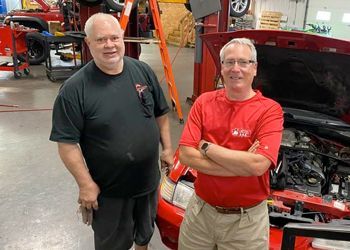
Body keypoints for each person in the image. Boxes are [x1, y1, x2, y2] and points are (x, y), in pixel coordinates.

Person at [49, 13, 173, 250]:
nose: (109, 45)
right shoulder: (75, 89)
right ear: (88, 43)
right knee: (112, 245)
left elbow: (160, 114)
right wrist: (86, 185)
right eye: (101, 39)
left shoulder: (142, 71)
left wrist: (167, 149)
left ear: (122, 38)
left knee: (143, 235)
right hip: (110, 192)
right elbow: (66, 143)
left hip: (147, 183)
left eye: (114, 38)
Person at [178, 38, 284, 250]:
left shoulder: (270, 110)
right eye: (229, 62)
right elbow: (185, 155)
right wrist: (241, 164)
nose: (236, 68)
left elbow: (257, 166)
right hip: (200, 213)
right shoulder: (203, 102)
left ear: (254, 68)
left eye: (243, 62)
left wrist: (207, 147)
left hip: (246, 224)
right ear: (222, 67)